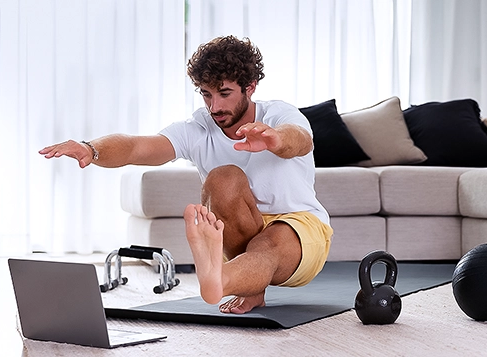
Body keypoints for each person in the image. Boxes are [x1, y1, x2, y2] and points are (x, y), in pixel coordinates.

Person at [39, 35, 333, 314]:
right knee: (223, 179)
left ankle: (220, 279)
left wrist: (275, 139)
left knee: (267, 246)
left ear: (250, 86)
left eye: (225, 93)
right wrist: (91, 149)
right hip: (243, 232)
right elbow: (136, 147)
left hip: (299, 227)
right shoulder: (197, 129)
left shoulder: (279, 114)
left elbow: (300, 139)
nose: (214, 106)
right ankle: (241, 285)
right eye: (206, 94)